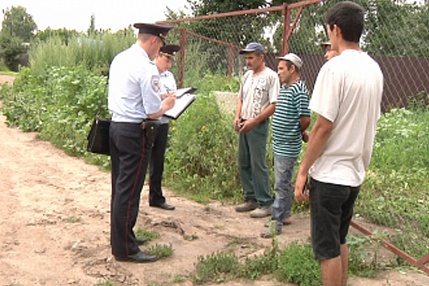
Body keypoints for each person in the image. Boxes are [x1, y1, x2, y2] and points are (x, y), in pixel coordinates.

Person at [294, 2, 384, 285]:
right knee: (339, 238)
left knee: (326, 248)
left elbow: (322, 126)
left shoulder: (334, 69)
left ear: (335, 29)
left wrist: (303, 170)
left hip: (331, 173)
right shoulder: (373, 68)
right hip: (354, 172)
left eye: (328, 30)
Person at [108, 23, 176, 263]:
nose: (158, 51)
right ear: (155, 41)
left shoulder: (120, 58)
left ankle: (122, 237)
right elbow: (151, 111)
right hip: (134, 133)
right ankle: (125, 249)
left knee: (120, 188)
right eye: (160, 45)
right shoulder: (146, 68)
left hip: (116, 127)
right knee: (129, 190)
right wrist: (165, 106)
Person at [261, 53, 310, 238]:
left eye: (282, 68)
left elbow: (305, 118)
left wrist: (297, 132)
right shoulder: (284, 88)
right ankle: (286, 215)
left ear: (292, 69)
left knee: (281, 185)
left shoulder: (299, 90)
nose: (278, 72)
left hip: (288, 146)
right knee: (284, 181)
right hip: (280, 144)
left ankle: (276, 222)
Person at [234, 42, 280, 218]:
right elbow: (241, 98)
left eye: (251, 57)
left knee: (258, 163)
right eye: (246, 58)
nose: (248, 61)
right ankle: (250, 197)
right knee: (244, 161)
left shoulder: (271, 76)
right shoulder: (247, 76)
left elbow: (273, 104)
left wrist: (255, 121)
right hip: (244, 122)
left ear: (261, 57)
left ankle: (266, 201)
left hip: (258, 124)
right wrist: (237, 117)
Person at [149, 44, 181, 211]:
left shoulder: (169, 77)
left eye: (171, 60)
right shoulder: (149, 72)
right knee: (141, 159)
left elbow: (173, 95)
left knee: (158, 161)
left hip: (163, 121)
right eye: (167, 59)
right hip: (148, 122)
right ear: (158, 56)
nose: (169, 63)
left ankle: (156, 197)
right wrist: (162, 96)